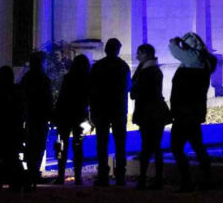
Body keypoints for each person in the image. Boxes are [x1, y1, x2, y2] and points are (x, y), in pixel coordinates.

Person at [168, 33, 216, 191]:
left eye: (187, 47)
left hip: (185, 112)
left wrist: (175, 43)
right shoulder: (199, 62)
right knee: (197, 146)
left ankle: (188, 182)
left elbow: (175, 51)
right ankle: (207, 179)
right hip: (192, 112)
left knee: (176, 147)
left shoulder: (194, 60)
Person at [90, 38, 131, 187]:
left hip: (101, 109)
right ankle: (120, 174)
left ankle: (103, 175)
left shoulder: (98, 67)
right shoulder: (123, 66)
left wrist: (92, 111)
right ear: (118, 50)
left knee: (102, 143)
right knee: (120, 143)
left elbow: (92, 90)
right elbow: (127, 87)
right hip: (118, 109)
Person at [131, 43, 169, 190]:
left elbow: (136, 93)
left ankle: (144, 179)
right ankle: (155, 179)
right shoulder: (154, 70)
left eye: (139, 53)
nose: (137, 56)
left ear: (145, 54)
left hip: (148, 114)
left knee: (147, 147)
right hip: (156, 113)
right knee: (154, 147)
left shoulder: (146, 72)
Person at [52, 54, 90, 185]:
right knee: (78, 146)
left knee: (61, 145)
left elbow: (62, 97)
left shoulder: (68, 78)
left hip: (65, 115)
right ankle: (78, 176)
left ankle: (60, 174)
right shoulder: (87, 80)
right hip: (80, 116)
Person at [20, 53, 53, 190]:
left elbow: (23, 97)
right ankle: (34, 171)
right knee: (39, 145)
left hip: (30, 116)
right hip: (40, 116)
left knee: (31, 144)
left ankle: (31, 171)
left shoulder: (26, 78)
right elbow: (48, 99)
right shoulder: (44, 79)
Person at [0, 66, 24, 191]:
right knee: (10, 158)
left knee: (3, 158)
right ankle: (12, 181)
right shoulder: (15, 95)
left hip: (2, 134)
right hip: (9, 134)